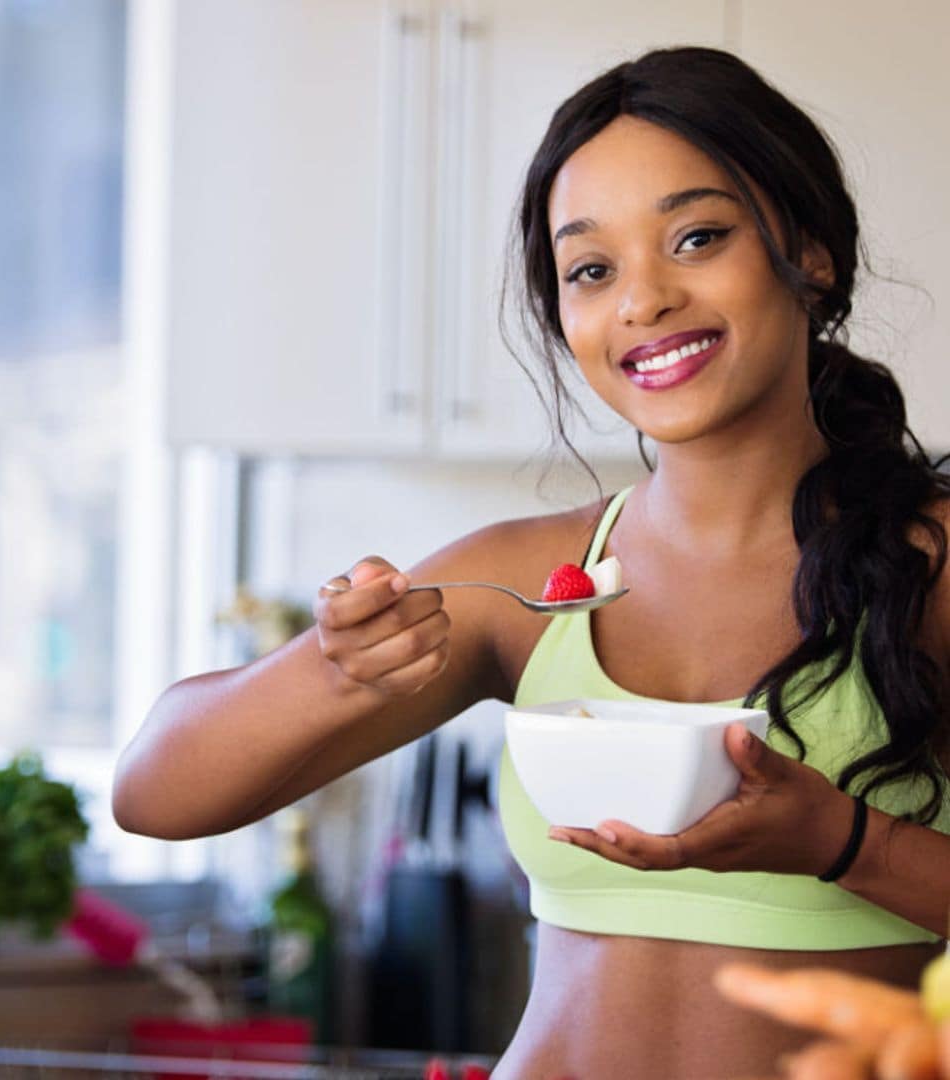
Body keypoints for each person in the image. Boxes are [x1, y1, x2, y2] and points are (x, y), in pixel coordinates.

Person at [113, 46, 950, 1079]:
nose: (642, 301)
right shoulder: (530, 583)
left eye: (697, 236)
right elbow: (154, 795)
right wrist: (330, 668)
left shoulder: (933, 565)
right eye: (592, 270)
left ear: (809, 252)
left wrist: (841, 840)